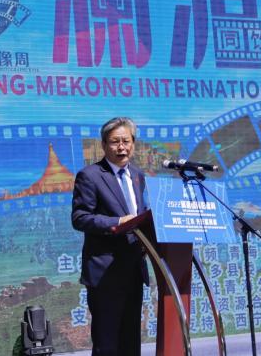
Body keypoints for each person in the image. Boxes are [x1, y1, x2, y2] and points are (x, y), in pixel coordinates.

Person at [72, 117, 149, 356]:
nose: (121, 147)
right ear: (104, 145)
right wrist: (117, 222)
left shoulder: (137, 175)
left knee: (130, 342)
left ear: (133, 143)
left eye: (126, 141)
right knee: (107, 344)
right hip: (105, 272)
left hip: (133, 269)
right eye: (115, 142)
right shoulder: (90, 175)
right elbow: (80, 218)